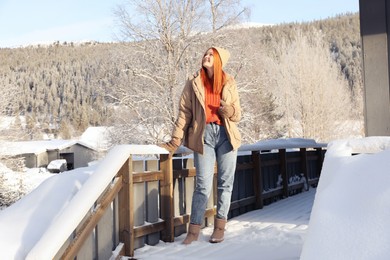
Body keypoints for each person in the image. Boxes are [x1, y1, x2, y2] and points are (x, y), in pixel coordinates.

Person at [159, 46, 241, 245]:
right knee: (203, 185)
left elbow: (238, 114)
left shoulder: (229, 82)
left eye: (211, 55)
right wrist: (175, 141)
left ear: (219, 60)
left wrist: (228, 109)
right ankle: (193, 230)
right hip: (203, 136)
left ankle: (219, 227)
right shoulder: (194, 81)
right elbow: (184, 113)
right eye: (205, 54)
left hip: (226, 136)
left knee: (225, 184)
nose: (206, 57)